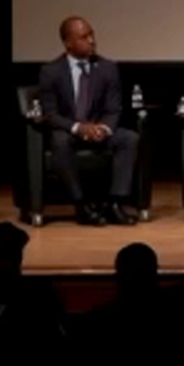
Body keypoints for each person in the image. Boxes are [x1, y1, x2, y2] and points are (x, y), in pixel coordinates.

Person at [35, 16, 140, 225]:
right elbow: (51, 114)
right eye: (84, 37)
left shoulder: (108, 68)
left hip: (99, 130)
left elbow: (113, 108)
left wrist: (104, 128)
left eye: (92, 35)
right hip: (69, 131)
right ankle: (81, 204)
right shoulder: (51, 72)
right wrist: (78, 128)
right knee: (59, 141)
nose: (91, 41)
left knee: (129, 138)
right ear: (68, 43)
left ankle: (116, 203)